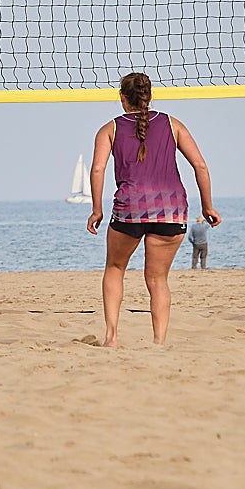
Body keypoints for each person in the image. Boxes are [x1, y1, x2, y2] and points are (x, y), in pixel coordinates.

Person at [87, 73, 221, 347]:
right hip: (170, 210)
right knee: (158, 279)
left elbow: (98, 169)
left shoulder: (109, 129)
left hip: (130, 209)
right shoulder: (173, 124)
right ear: (150, 97)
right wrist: (208, 206)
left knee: (115, 268)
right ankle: (159, 342)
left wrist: (96, 209)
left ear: (122, 98)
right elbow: (201, 166)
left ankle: (111, 337)